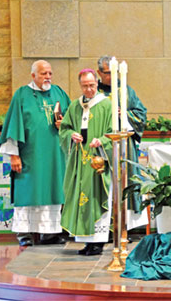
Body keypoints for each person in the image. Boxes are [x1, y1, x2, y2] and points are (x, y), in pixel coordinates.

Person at [0, 60, 70, 246]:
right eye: (43, 73)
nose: (48, 77)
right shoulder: (22, 95)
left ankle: (49, 233)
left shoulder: (59, 93)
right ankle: (24, 234)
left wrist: (66, 125)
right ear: (33, 75)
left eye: (50, 73)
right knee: (28, 192)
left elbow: (72, 119)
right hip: (30, 156)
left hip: (54, 155)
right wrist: (14, 155)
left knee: (52, 192)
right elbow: (13, 125)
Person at [59, 69, 112, 256]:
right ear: (80, 85)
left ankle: (98, 242)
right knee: (80, 198)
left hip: (97, 159)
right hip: (80, 159)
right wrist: (71, 135)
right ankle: (86, 241)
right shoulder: (75, 106)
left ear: (97, 84)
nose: (89, 89)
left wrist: (101, 141)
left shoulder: (106, 105)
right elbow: (64, 129)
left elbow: (114, 132)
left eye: (92, 85)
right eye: (85, 86)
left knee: (96, 197)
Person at [96, 55, 148, 231]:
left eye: (115, 73)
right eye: (108, 73)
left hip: (124, 145)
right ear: (99, 73)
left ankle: (124, 227)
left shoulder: (126, 91)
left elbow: (141, 115)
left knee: (126, 181)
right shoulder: (93, 92)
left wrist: (124, 114)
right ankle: (103, 228)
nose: (113, 77)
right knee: (103, 185)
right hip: (101, 148)